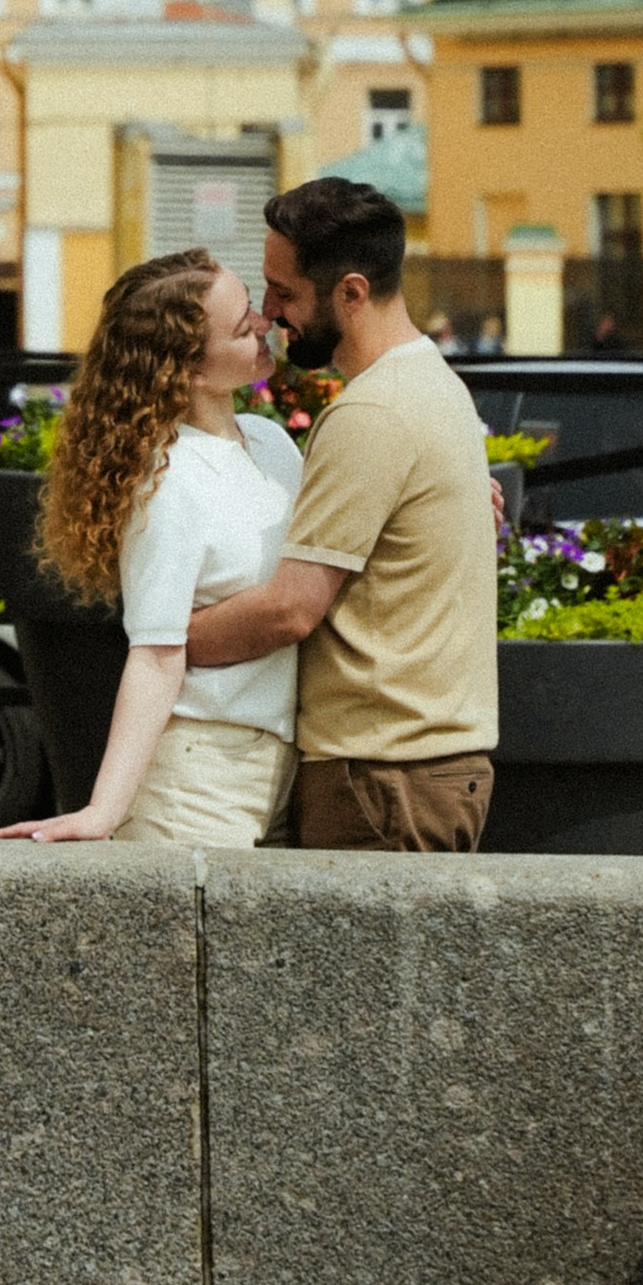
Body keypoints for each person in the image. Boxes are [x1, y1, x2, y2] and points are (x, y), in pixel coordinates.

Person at [183, 174, 499, 853]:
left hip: (380, 774)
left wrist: (158, 641)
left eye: (285, 292)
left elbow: (289, 609)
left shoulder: (371, 413)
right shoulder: (431, 382)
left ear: (351, 292)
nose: (268, 312)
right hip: (419, 766)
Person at [0, 249, 301, 849]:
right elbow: (156, 654)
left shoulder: (271, 442)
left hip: (283, 767)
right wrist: (103, 811)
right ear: (191, 370)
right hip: (197, 783)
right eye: (243, 325)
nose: (265, 322)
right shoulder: (168, 480)